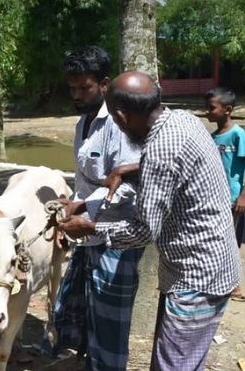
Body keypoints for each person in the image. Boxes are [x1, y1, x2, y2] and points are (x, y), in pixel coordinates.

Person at [59, 71, 242, 370]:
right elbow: (173, 165)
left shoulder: (159, 152)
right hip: (212, 266)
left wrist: (90, 227)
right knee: (182, 360)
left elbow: (143, 231)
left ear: (121, 116)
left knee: (171, 365)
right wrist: (127, 170)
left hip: (196, 278)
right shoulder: (181, 119)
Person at [51, 46, 143, 371]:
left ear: (104, 84)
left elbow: (130, 190)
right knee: (85, 316)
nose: (76, 94)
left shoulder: (121, 125)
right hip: (88, 236)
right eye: (72, 87)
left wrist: (82, 210)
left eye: (84, 87)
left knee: (110, 327)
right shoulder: (82, 124)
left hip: (116, 240)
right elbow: (84, 182)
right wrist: (73, 211)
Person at [205, 87, 245, 302]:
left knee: (230, 241)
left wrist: (244, 195)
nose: (207, 112)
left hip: (233, 199)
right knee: (216, 240)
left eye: (211, 108)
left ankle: (234, 286)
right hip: (215, 199)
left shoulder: (237, 134)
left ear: (227, 110)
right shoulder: (212, 137)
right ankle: (220, 280)